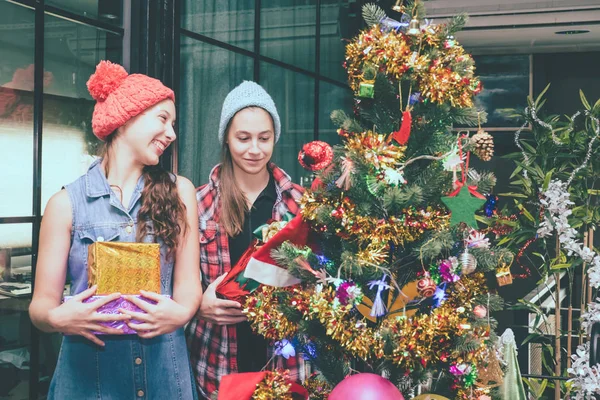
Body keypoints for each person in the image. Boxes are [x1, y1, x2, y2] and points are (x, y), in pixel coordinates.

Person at [29, 60, 202, 400]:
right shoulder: (64, 204)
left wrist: (181, 313)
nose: (171, 133)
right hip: (87, 380)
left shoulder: (181, 192)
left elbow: (189, 287)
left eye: (174, 124)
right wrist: (60, 318)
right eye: (162, 119)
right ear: (125, 120)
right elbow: (39, 308)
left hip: (164, 378)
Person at [186, 81, 309, 399]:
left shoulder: (301, 205)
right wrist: (197, 305)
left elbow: (322, 280)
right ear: (226, 138)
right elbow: (170, 281)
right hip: (217, 364)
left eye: (264, 138)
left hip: (286, 366)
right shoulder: (197, 203)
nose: (254, 149)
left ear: (274, 138)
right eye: (243, 138)